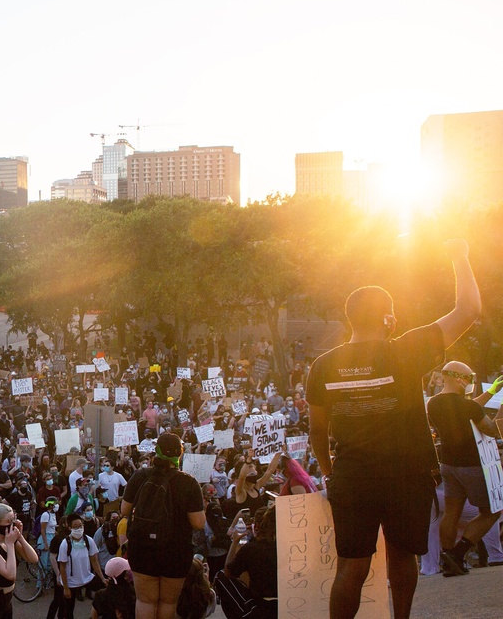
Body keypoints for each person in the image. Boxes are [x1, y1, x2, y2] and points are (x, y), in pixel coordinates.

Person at [306, 240, 480, 619]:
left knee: (351, 566)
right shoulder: (406, 350)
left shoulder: (322, 366)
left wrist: (330, 471)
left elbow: (317, 431)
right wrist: (459, 257)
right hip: (406, 476)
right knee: (403, 558)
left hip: (352, 478)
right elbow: (468, 310)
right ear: (387, 318)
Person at [426, 361, 503, 576]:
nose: (470, 382)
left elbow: (467, 408)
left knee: (451, 513)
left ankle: (448, 558)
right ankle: (458, 554)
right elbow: (491, 430)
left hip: (448, 465)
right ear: (460, 378)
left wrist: (491, 391)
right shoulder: (468, 406)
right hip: (472, 465)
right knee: (492, 512)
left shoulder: (433, 403)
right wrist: (501, 410)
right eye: (469, 378)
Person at [120, 433, 205, 619]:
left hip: (142, 548)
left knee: (145, 601)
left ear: (156, 451)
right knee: (168, 603)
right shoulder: (189, 482)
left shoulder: (140, 475)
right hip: (176, 551)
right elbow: (199, 523)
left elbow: (124, 510)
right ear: (179, 454)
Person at [216, 505, 275, 619]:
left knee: (221, 576)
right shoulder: (284, 546)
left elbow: (228, 572)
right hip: (284, 603)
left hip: (260, 607)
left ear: (256, 526)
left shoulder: (251, 549)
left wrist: (234, 543)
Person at [53, 513, 105, 619]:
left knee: (106, 591)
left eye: (80, 526)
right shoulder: (65, 544)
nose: (79, 529)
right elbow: (62, 567)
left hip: (87, 578)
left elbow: (94, 561)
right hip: (71, 582)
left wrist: (102, 578)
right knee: (68, 611)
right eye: (75, 527)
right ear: (70, 527)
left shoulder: (88, 540)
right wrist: (66, 588)